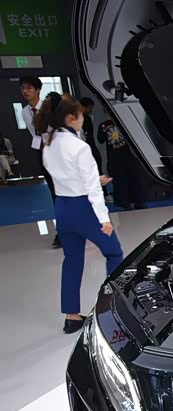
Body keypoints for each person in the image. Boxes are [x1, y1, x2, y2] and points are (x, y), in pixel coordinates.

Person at [33, 92, 123, 334]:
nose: (84, 119)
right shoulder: (80, 147)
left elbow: (65, 177)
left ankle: (71, 317)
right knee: (114, 253)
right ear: (71, 118)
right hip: (84, 208)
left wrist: (94, 179)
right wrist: (104, 219)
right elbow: (92, 190)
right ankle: (111, 310)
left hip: (63, 208)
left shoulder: (49, 144)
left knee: (72, 260)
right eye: (82, 115)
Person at [21, 76, 60, 247]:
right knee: (54, 192)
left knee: (66, 191)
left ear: (38, 90)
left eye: (29, 88)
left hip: (58, 151)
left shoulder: (49, 108)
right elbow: (34, 133)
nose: (25, 91)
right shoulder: (25, 112)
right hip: (43, 152)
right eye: (23, 88)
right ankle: (63, 229)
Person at [98, 118, 147, 210]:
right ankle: (124, 203)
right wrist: (104, 129)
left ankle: (138, 201)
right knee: (120, 181)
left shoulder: (122, 121)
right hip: (114, 158)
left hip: (127, 155)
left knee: (135, 178)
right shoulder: (104, 125)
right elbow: (100, 139)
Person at [79, 97, 103, 172]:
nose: (90, 110)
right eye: (89, 108)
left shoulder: (87, 118)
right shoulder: (80, 120)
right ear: (83, 107)